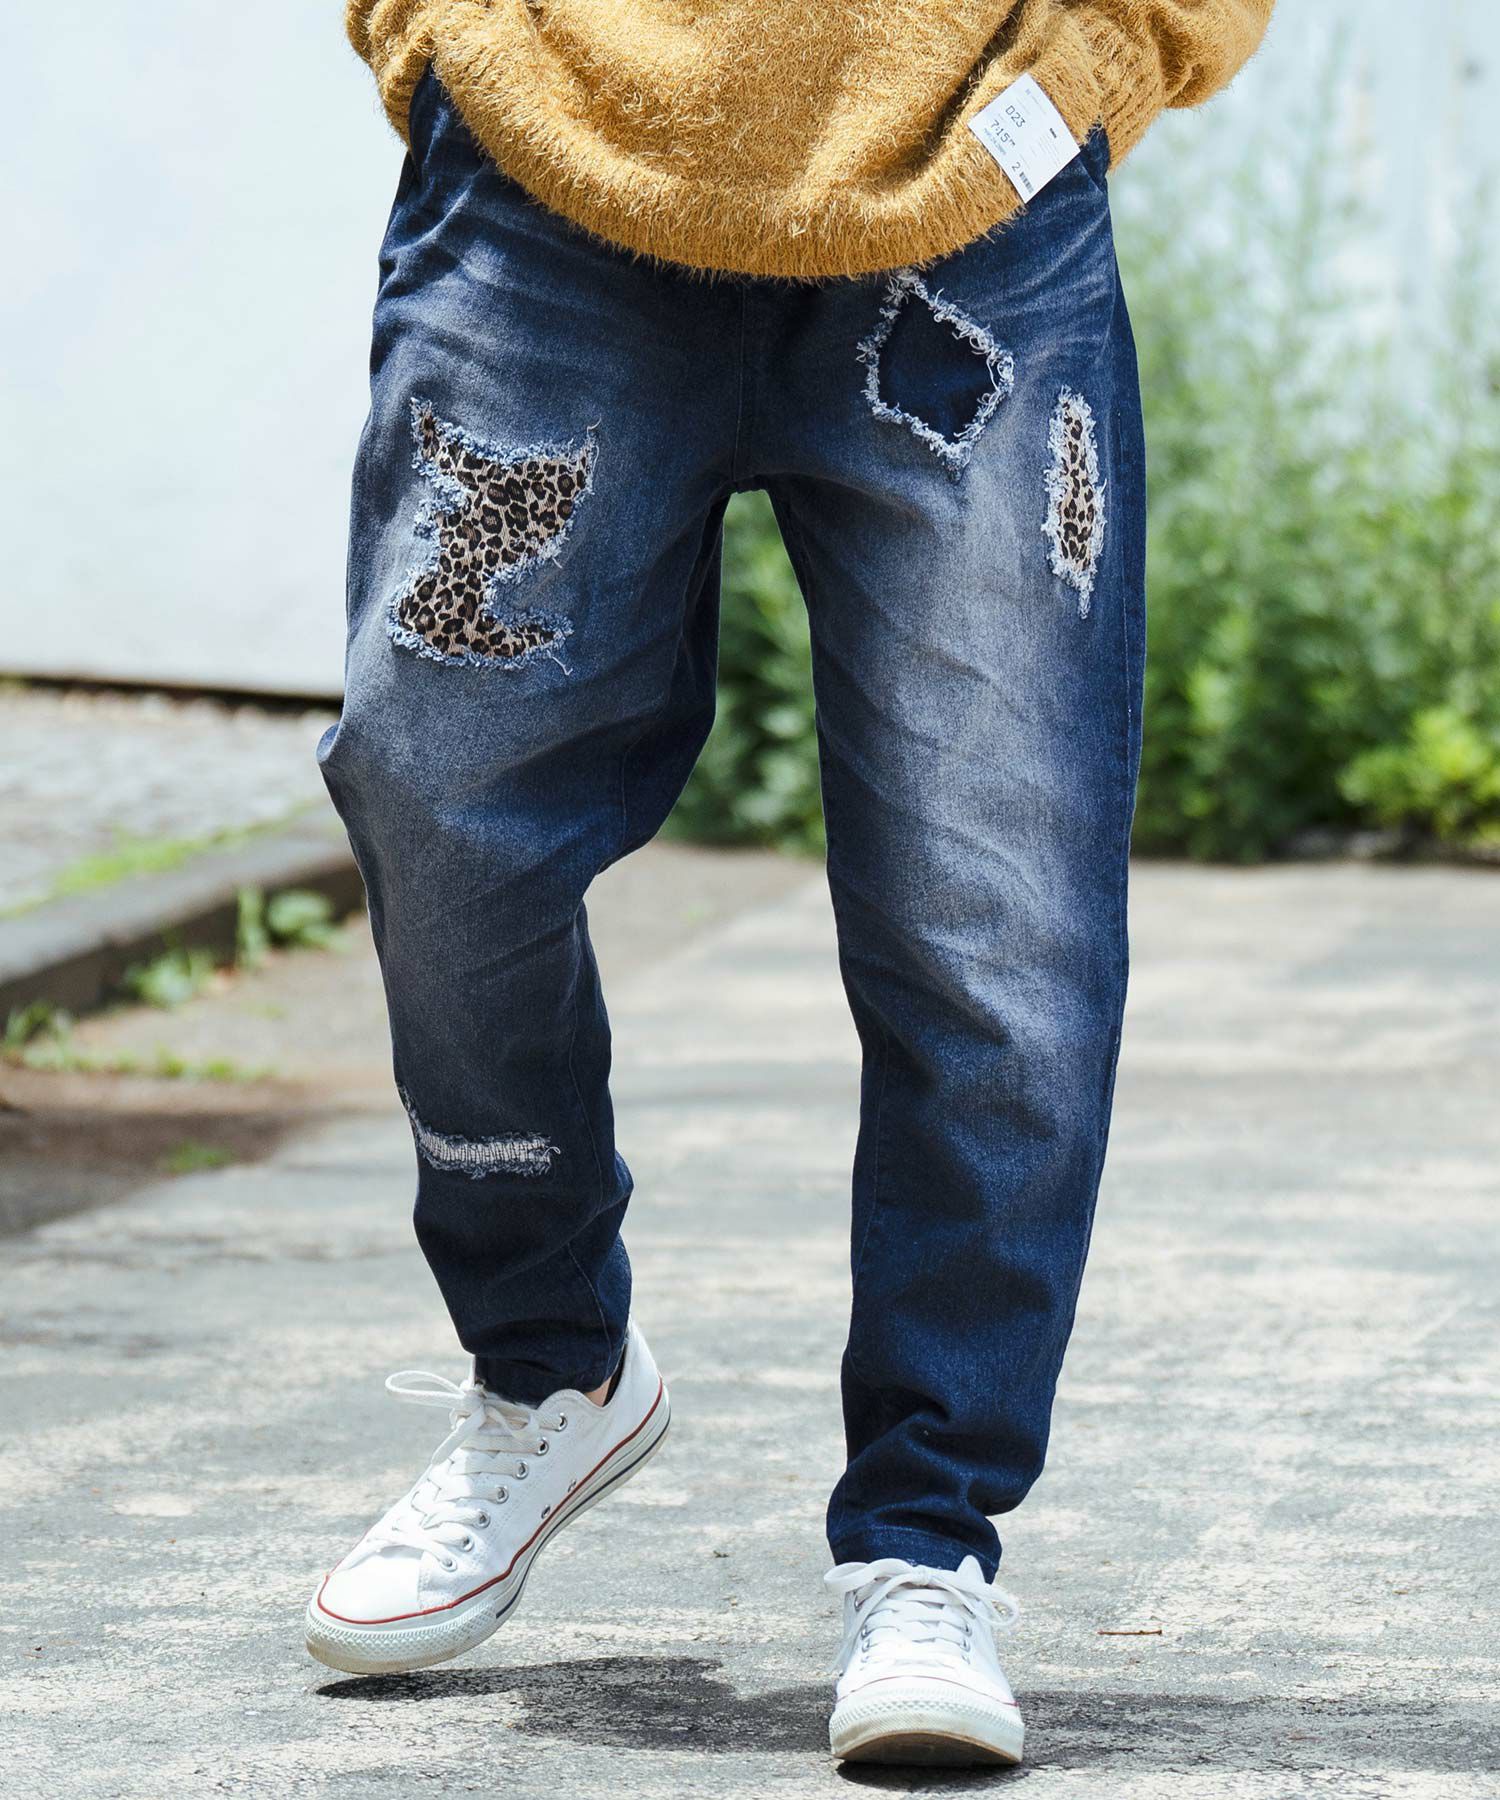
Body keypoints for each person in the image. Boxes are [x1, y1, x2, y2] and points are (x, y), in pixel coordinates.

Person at [307, 0, 1273, 1765]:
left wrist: (1109, 56)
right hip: (548, 160)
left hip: (971, 187)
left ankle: (926, 1544)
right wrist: (441, 37)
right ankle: (549, 1365)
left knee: (997, 912)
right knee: (433, 795)